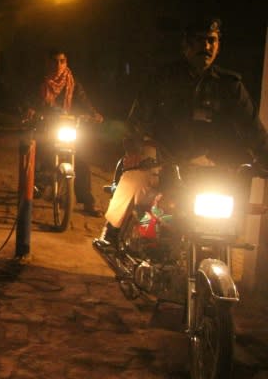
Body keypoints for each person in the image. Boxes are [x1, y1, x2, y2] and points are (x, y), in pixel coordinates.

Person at [95, 17, 268, 250]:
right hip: (161, 151)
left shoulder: (230, 85)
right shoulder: (163, 77)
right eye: (199, 41)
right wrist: (134, 148)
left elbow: (251, 127)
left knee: (224, 212)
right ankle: (112, 230)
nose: (206, 46)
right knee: (137, 179)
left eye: (211, 40)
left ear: (218, 45)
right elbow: (138, 118)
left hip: (208, 160)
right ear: (185, 45)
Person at [30, 49, 104, 217]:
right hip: (46, 127)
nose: (58, 65)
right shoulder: (41, 83)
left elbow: (83, 100)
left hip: (67, 126)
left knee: (82, 161)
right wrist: (31, 110)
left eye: (62, 61)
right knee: (39, 153)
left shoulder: (73, 83)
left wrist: (93, 113)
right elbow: (31, 100)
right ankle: (37, 186)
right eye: (54, 61)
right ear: (48, 63)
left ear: (66, 62)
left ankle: (87, 202)